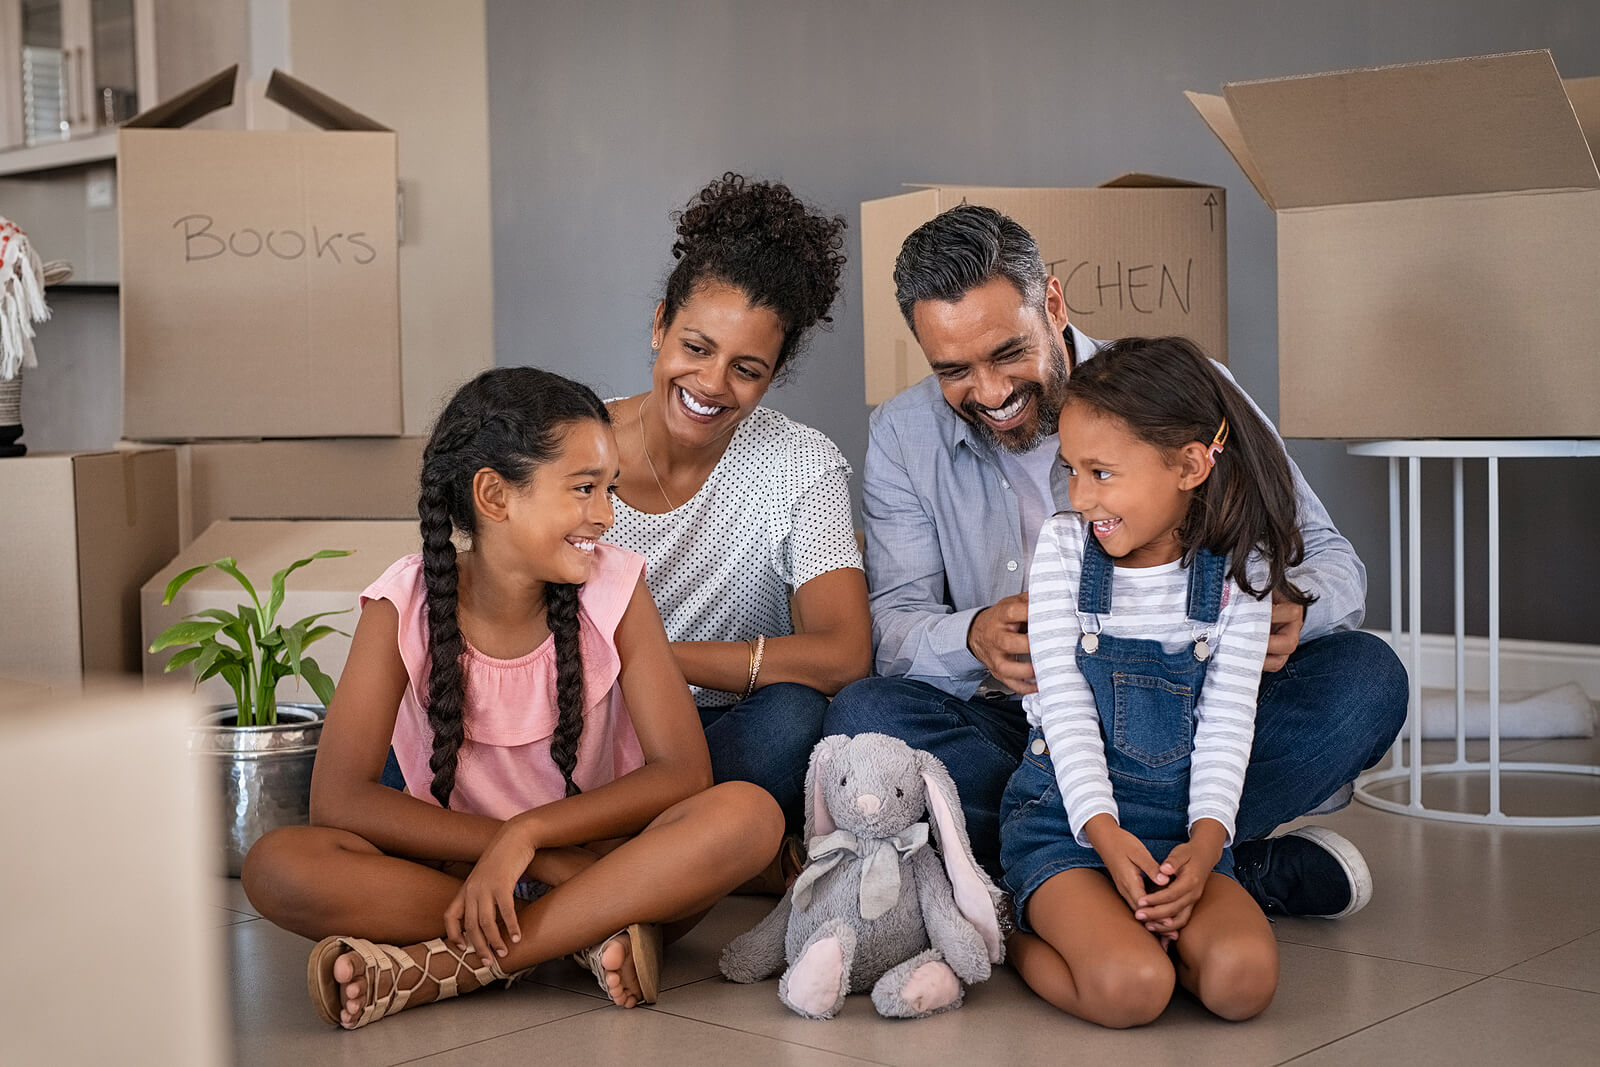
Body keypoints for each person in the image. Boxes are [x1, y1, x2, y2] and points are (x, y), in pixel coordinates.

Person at [825, 203, 1407, 919]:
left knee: (1367, 679)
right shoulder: (901, 435)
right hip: (1027, 732)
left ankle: (1063, 877)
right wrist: (972, 635)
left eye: (1008, 353)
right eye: (954, 370)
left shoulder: (1190, 389)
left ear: (1054, 302)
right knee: (864, 717)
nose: (991, 393)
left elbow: (1329, 557)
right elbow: (892, 628)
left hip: (1191, 713)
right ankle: (1215, 874)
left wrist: (1291, 603)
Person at [241, 367, 783, 1030]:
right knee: (276, 866)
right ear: (495, 496)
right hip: (465, 873)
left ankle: (437, 969)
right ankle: (587, 932)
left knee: (748, 815)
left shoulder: (616, 586)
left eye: (608, 489)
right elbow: (340, 798)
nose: (607, 514)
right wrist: (515, 853)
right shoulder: (401, 602)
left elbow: (683, 772)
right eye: (585, 488)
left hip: (601, 860)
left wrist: (530, 835)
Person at [1001, 336, 1288, 1026]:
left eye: (1101, 472)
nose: (1078, 495)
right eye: (1070, 469)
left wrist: (1205, 846)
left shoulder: (1238, 576)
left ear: (1190, 465)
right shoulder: (1067, 551)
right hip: (1068, 823)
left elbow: (1227, 721)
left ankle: (1161, 926)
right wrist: (1102, 832)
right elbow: (1062, 705)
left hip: (1179, 826)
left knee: (1243, 982)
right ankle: (1008, 935)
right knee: (1132, 989)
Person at [602, 173, 871, 876]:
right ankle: (689, 863)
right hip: (593, 726)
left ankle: (607, 859)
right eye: (696, 347)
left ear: (774, 373)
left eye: (747, 368)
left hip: (725, 729)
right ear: (660, 324)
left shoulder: (798, 463)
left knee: (795, 720)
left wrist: (658, 656)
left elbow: (844, 654)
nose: (713, 383)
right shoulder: (572, 444)